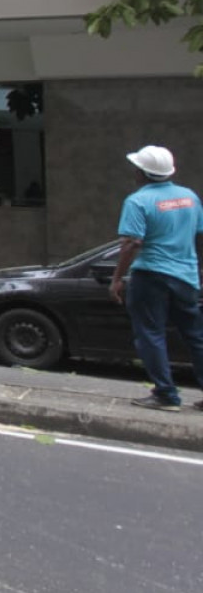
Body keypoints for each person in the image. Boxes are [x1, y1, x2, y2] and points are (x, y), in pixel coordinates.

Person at [107, 145, 203, 411]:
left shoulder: (137, 201)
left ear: (143, 173)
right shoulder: (189, 198)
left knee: (151, 334)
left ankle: (166, 394)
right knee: (195, 336)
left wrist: (116, 279)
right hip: (186, 277)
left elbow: (131, 244)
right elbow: (199, 235)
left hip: (151, 276)